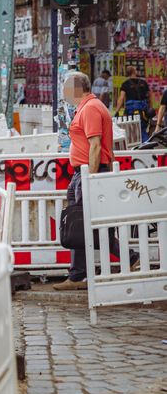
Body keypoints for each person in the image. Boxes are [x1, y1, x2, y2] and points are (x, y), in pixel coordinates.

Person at [54, 72, 137, 290]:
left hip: (88, 173)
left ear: (76, 89)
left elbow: (96, 146)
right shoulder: (89, 106)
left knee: (85, 224)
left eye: (65, 88)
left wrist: (89, 177)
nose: (63, 93)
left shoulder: (90, 108)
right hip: (82, 173)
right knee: (80, 224)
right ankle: (79, 274)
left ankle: (82, 273)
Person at [116, 66, 152, 141]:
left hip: (131, 110)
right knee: (142, 128)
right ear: (134, 72)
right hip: (143, 109)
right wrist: (149, 108)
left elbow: (121, 98)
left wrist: (117, 111)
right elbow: (149, 96)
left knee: (131, 128)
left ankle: (134, 145)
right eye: (136, 70)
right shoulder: (143, 82)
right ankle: (145, 145)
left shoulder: (125, 84)